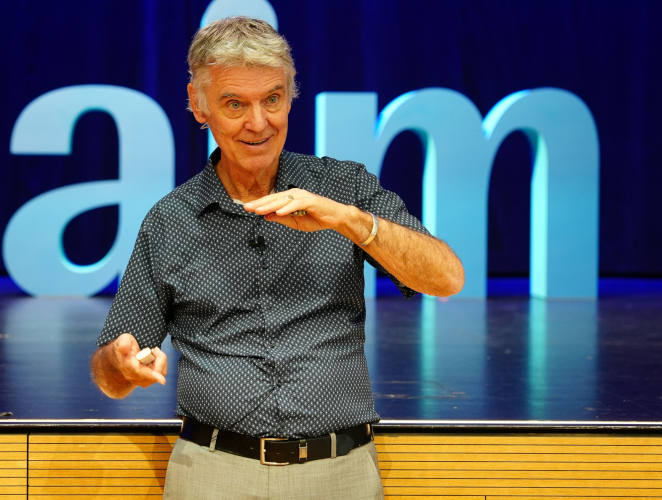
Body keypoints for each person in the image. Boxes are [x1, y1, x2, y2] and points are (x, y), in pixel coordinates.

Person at [90, 16, 464, 499]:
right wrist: (121, 364)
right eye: (235, 104)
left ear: (290, 97)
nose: (259, 122)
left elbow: (446, 278)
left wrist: (351, 221)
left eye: (272, 99)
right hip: (211, 474)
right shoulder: (170, 221)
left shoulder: (343, 187)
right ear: (198, 105)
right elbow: (110, 373)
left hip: (339, 474)